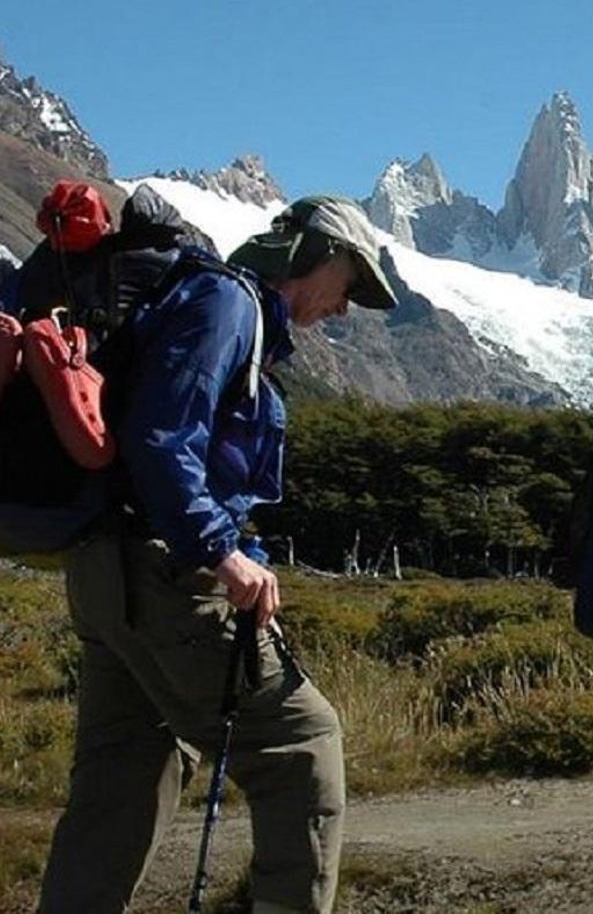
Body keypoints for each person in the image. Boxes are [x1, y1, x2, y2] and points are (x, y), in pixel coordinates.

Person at [30, 195, 398, 914]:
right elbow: (163, 436)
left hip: (104, 578)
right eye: (348, 286)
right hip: (165, 570)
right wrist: (223, 553)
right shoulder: (229, 306)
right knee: (304, 746)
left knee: (124, 779)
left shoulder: (205, 301)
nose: (345, 309)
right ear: (317, 259)